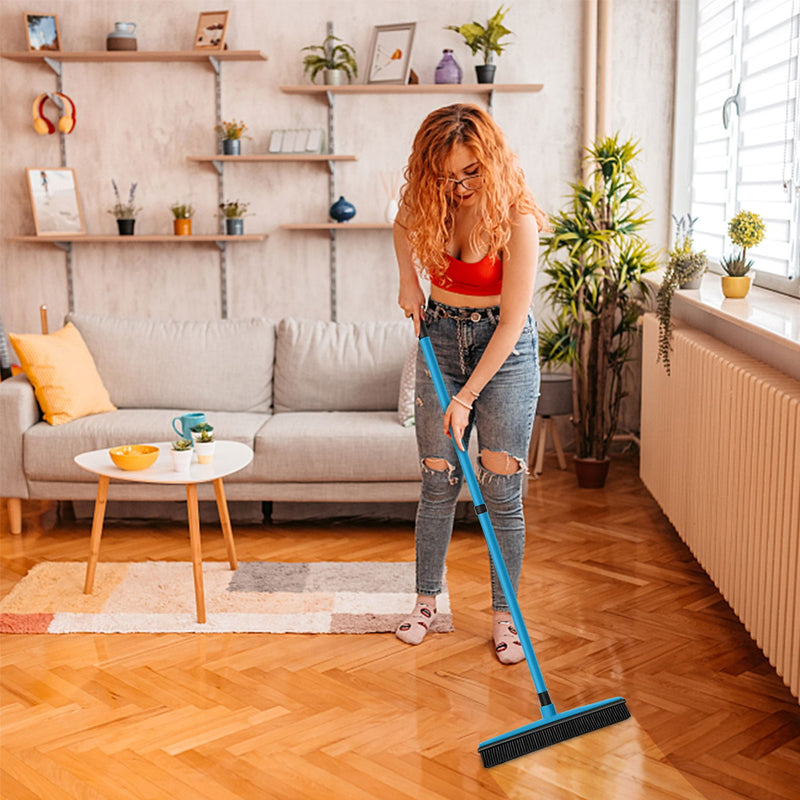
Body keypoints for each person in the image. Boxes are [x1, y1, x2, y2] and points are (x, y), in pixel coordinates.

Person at [393, 103, 546, 664]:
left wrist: (464, 398)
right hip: (440, 334)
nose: (459, 187)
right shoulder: (432, 199)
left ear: (492, 159)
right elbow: (401, 223)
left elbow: (511, 323)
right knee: (438, 481)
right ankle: (425, 603)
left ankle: (506, 618)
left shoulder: (518, 218)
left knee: (501, 490)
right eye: (447, 175)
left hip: (504, 353)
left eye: (471, 173)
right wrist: (409, 282)